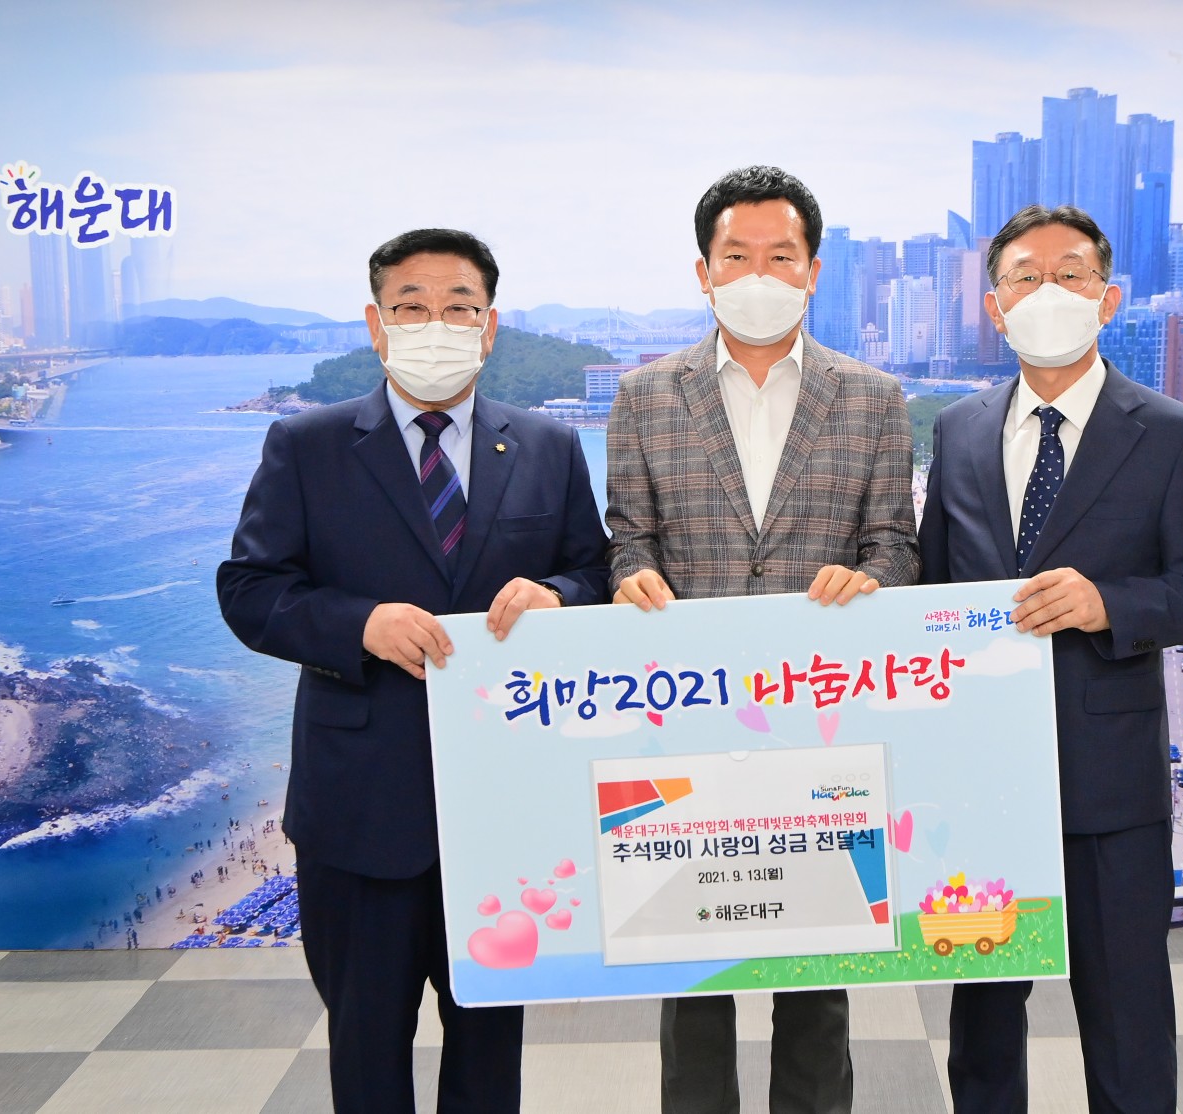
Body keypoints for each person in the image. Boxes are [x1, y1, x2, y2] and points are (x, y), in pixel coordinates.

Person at [217, 228, 609, 1113]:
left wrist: (556, 595)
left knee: (489, 1063)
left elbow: (595, 571)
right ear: (376, 324)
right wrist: (359, 624)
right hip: (360, 814)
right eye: (412, 307)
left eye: (459, 308)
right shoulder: (307, 444)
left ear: (490, 326)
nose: (437, 325)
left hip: (506, 815)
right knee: (366, 1056)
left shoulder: (548, 445)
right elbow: (249, 590)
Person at [918, 204, 1183, 1113]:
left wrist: (1111, 604)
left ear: (1109, 298)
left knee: (1127, 1025)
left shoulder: (1173, 434)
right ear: (995, 306)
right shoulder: (959, 430)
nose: (1047, 292)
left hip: (1110, 788)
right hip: (983, 787)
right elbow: (931, 585)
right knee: (983, 1031)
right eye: (1024, 277)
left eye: (1070, 274)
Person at [606, 165, 919, 1114]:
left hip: (822, 728)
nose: (758, 275)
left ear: (813, 271)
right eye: (735, 256)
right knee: (692, 982)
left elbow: (894, 544)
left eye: (780, 256)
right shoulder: (643, 396)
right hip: (686, 726)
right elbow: (628, 538)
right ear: (703, 272)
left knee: (818, 987)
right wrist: (629, 576)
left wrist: (874, 580)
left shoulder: (872, 397)